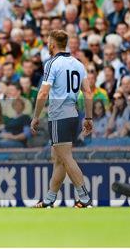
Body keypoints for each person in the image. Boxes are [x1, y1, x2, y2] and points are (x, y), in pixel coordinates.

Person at [31, 30, 94, 208]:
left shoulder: (52, 63)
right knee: (58, 158)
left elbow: (43, 92)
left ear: (52, 43)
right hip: (73, 114)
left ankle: (84, 197)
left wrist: (36, 116)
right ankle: (50, 199)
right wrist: (88, 117)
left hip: (59, 115)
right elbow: (88, 92)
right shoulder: (78, 64)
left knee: (66, 158)